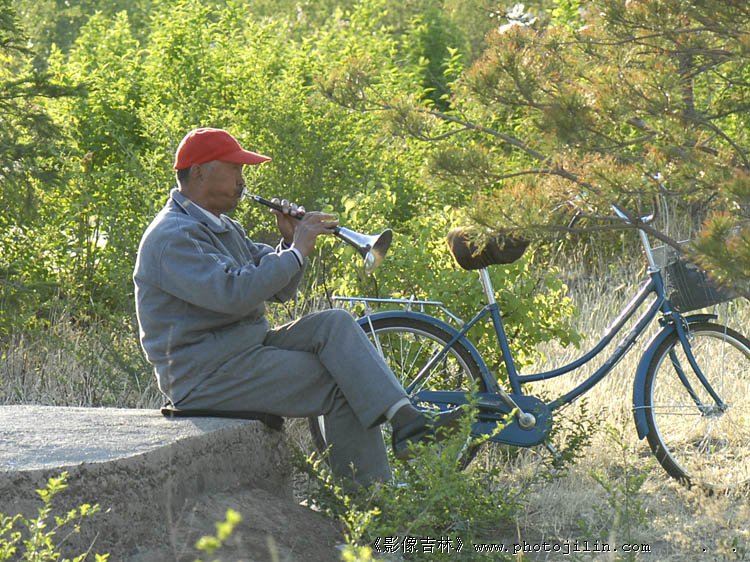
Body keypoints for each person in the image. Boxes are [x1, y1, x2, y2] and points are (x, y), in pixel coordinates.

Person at [133, 127, 461, 486]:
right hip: (205, 374)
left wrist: (289, 242)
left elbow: (277, 289)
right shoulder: (173, 236)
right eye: (234, 169)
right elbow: (233, 293)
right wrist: (297, 250)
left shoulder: (221, 226)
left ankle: (406, 420)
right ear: (199, 172)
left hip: (241, 351)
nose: (242, 180)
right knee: (343, 385)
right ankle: (371, 505)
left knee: (334, 323)